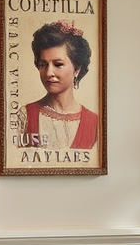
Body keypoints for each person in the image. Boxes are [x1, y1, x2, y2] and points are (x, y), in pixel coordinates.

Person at [19, 21, 98, 151]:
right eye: (43, 64)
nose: (49, 73)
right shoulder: (25, 116)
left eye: (58, 64)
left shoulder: (94, 123)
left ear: (77, 69)